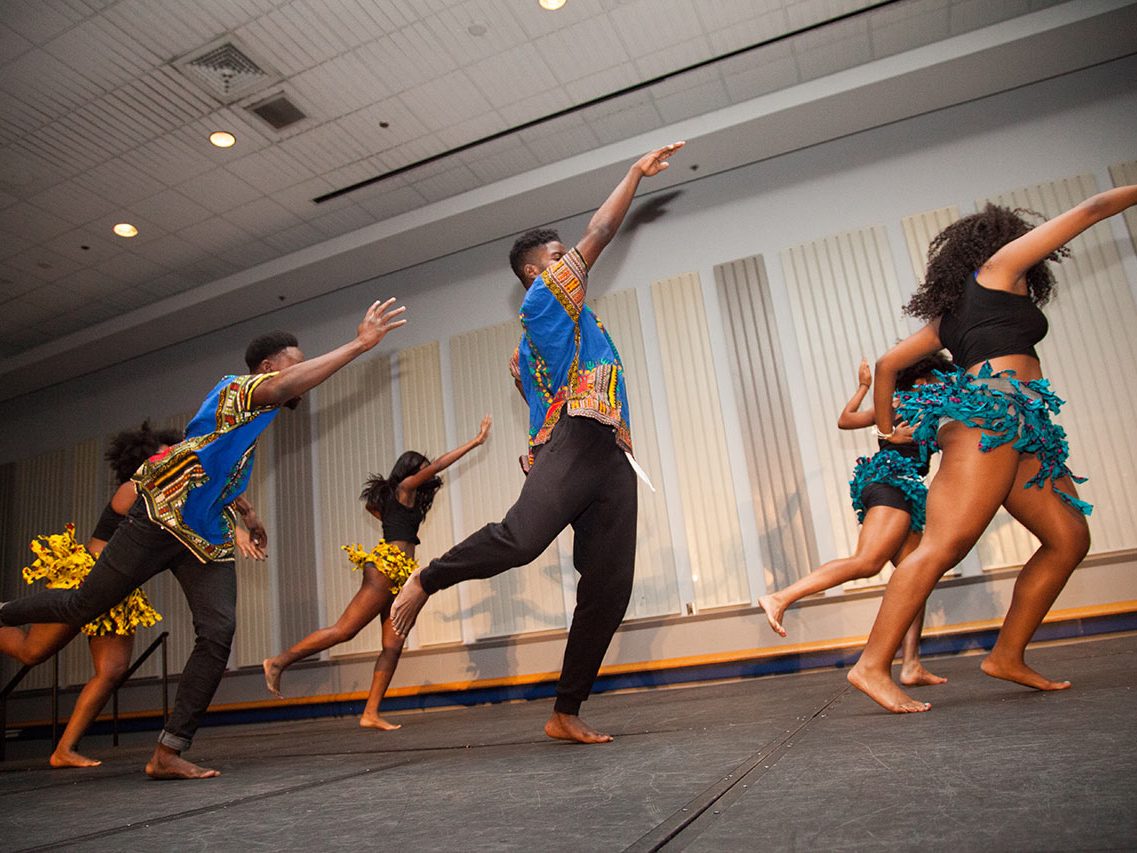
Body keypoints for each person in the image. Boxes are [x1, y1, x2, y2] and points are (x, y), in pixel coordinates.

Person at [0, 298, 407, 777]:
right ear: (267, 368)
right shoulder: (235, 388)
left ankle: (167, 751)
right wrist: (360, 344)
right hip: (161, 518)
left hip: (206, 536)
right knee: (81, 606)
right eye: (296, 364)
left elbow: (219, 466)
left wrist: (247, 512)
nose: (303, 375)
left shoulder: (252, 419)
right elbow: (282, 387)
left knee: (217, 632)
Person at [391, 142, 685, 744]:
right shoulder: (544, 300)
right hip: (578, 440)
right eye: (558, 256)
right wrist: (633, 174)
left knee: (610, 587)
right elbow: (601, 229)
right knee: (520, 541)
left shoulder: (559, 330)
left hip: (610, 453)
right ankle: (428, 579)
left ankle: (565, 711)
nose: (571, 261)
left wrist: (534, 432)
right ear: (535, 272)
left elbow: (538, 393)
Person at [847, 184, 1137, 713]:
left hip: (1024, 425)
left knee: (1069, 536)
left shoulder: (952, 315)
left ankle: (1006, 655)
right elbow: (1096, 207)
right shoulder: (1000, 269)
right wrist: (889, 432)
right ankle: (871, 665)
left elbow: (889, 364)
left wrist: (890, 427)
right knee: (943, 545)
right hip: (988, 416)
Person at [262, 415, 492, 730]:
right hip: (384, 570)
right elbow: (438, 465)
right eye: (420, 469)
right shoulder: (404, 487)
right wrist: (475, 441)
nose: (425, 474)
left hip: (401, 575)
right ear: (411, 472)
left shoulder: (399, 499)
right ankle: (278, 662)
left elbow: (382, 507)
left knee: (393, 646)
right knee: (345, 630)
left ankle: (370, 713)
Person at [758, 355, 954, 687]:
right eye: (938, 380)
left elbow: (846, 419)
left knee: (914, 575)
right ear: (922, 381)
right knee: (867, 561)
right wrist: (888, 430)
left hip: (899, 487)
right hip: (891, 483)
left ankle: (911, 664)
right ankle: (781, 597)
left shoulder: (904, 404)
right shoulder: (908, 401)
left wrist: (864, 388)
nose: (942, 386)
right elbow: (849, 422)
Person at [1, 422, 185, 768]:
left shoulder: (171, 494)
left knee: (112, 670)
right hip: (85, 580)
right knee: (31, 652)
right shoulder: (133, 489)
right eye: (166, 456)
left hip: (118, 590)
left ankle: (63, 750)